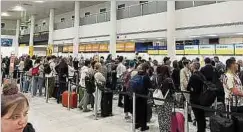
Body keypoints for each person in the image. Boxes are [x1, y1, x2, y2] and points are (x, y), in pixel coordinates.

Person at [154, 65, 175, 132]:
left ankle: (162, 130)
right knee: (167, 117)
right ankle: (166, 130)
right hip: (167, 100)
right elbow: (173, 90)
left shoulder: (157, 78)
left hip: (159, 99)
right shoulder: (169, 79)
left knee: (160, 116)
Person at [187, 62, 206, 132]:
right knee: (202, 116)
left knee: (198, 117)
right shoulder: (202, 75)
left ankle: (200, 130)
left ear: (194, 67)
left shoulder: (193, 76)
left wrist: (191, 88)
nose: (190, 67)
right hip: (202, 98)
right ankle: (202, 129)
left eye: (191, 66)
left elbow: (188, 87)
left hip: (195, 99)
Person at [134, 63, 151, 131]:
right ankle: (143, 126)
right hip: (143, 96)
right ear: (147, 69)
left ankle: (137, 124)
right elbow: (150, 86)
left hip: (136, 95)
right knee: (143, 111)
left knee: (137, 110)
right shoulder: (146, 76)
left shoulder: (137, 74)